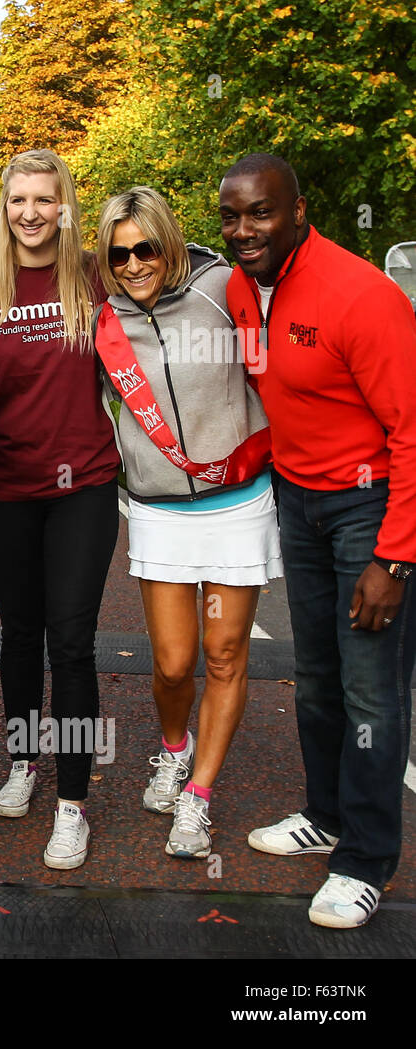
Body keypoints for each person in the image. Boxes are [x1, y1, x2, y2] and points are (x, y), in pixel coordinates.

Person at [221, 154, 416, 929]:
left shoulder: (361, 295)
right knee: (318, 674)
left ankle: (365, 860)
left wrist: (394, 557)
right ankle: (326, 815)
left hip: (368, 510)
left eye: (260, 213)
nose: (244, 231)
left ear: (299, 211)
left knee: (373, 685)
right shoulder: (241, 288)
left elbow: (412, 432)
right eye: (231, 216)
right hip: (297, 501)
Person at [0, 150, 118, 871]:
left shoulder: (94, 277)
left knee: (71, 643)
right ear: (5, 207)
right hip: (7, 491)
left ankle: (72, 802)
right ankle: (24, 761)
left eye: (46, 200)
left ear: (65, 205)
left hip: (85, 487)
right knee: (19, 634)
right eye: (20, 200)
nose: (32, 213)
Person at [92, 186, 280, 860]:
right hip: (159, 506)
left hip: (237, 502)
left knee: (225, 654)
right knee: (174, 663)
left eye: (146, 247)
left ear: (169, 241)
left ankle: (197, 797)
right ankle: (175, 749)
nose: (136, 263)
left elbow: (280, 368)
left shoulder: (223, 288)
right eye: (120, 255)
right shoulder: (104, 322)